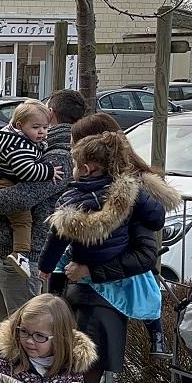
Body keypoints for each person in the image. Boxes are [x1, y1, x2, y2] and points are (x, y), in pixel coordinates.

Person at [39, 132, 180, 357]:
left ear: (85, 169)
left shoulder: (70, 199)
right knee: (149, 291)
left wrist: (44, 267)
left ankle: (54, 312)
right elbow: (155, 216)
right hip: (116, 259)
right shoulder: (131, 191)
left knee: (60, 265)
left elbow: (56, 239)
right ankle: (157, 336)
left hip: (84, 260)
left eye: (75, 165)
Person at [0, 89, 82, 324]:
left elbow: (22, 196)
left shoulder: (58, 154)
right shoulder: (34, 144)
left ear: (50, 114)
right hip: (3, 250)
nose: (40, 131)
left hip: (22, 255)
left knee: (20, 333)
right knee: (8, 333)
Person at [0, 100, 63, 275]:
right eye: (36, 127)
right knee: (22, 221)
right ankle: (20, 254)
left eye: (45, 128)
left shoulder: (2, 138)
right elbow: (27, 171)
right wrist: (49, 170)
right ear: (20, 125)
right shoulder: (21, 146)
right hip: (6, 183)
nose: (42, 132)